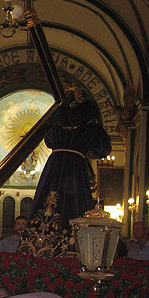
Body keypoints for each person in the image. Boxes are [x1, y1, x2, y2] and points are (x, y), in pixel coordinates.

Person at [30, 97, 111, 228]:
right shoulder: (89, 128)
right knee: (74, 203)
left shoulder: (56, 126)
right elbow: (103, 148)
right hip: (74, 166)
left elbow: (47, 138)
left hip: (53, 166)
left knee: (47, 200)